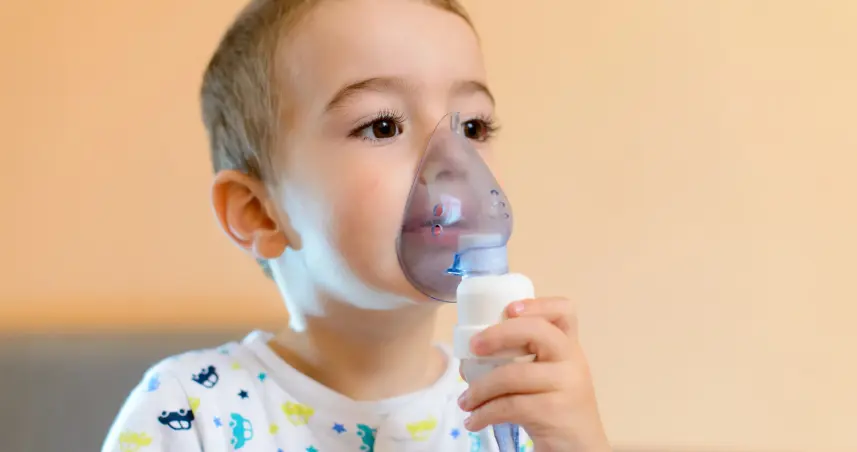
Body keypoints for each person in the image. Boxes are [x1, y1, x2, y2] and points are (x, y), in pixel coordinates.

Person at [102, 0, 611, 451]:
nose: (453, 164)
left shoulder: (515, 413)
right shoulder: (189, 413)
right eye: (383, 126)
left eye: (473, 127)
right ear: (259, 212)